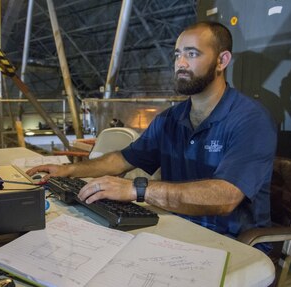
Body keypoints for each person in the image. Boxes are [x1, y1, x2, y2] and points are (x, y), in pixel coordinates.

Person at [26, 21, 277, 252]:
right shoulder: (170, 119)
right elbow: (124, 159)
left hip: (233, 245)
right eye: (177, 54)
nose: (180, 63)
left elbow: (225, 197)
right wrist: (68, 171)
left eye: (192, 54)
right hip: (179, 231)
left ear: (222, 60)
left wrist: (137, 189)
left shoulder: (250, 120)